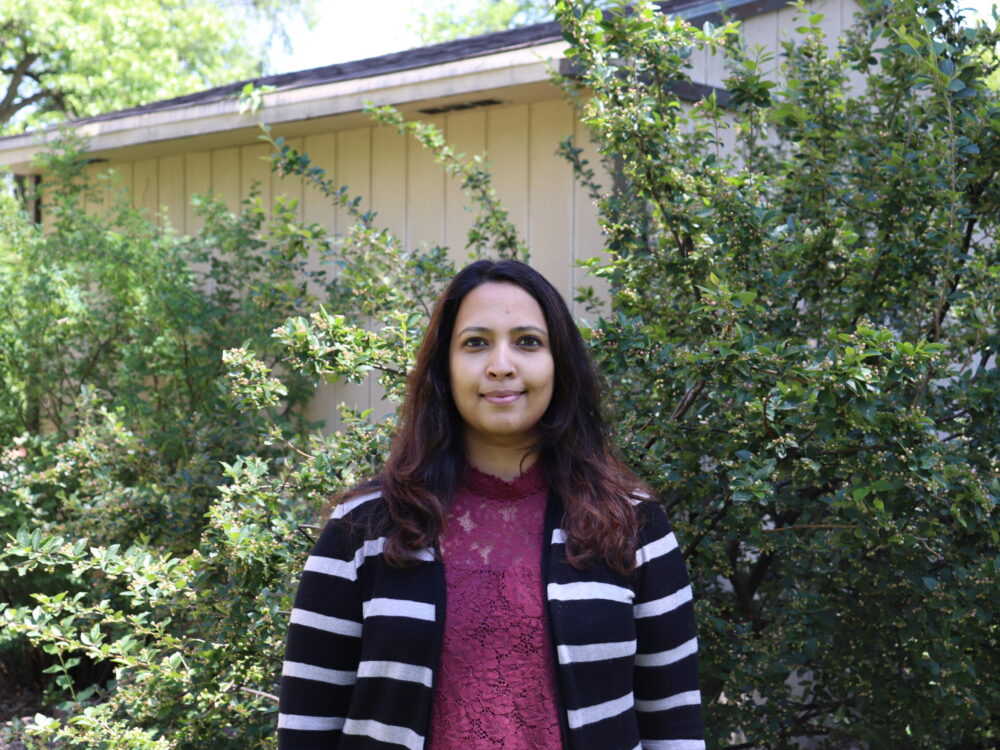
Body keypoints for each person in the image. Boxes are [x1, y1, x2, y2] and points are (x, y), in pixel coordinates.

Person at [277, 259, 704, 750]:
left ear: (560, 363)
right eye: (476, 343)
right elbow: (306, 726)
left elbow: (674, 725)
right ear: (444, 367)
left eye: (528, 342)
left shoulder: (632, 524)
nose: (502, 365)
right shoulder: (364, 529)